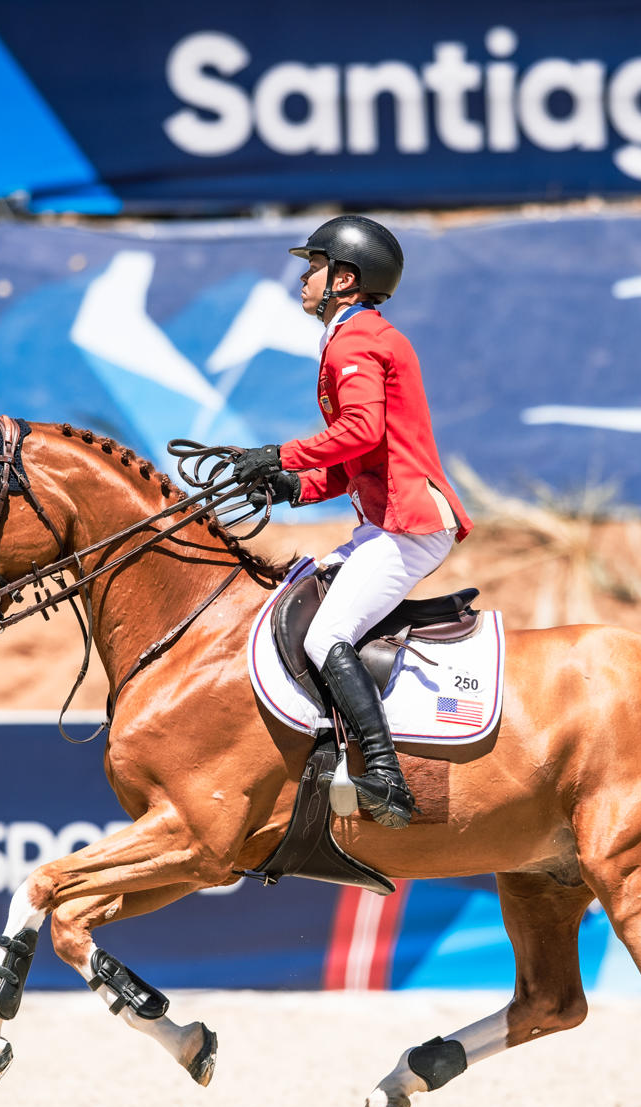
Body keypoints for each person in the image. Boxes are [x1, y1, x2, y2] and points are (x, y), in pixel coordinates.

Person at [229, 215, 472, 830]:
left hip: (408, 523)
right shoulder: (351, 336)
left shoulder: (355, 340)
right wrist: (292, 486)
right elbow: (355, 461)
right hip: (385, 520)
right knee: (300, 602)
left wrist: (280, 454)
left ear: (345, 277)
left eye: (312, 267)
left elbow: (358, 431)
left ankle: (388, 777)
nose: (303, 278)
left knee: (322, 634)